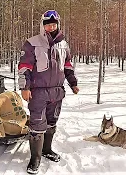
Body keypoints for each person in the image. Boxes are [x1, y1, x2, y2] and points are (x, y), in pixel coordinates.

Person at [18, 10, 79, 174]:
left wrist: (73, 83)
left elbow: (67, 65)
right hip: (38, 92)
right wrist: (25, 87)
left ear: (58, 24)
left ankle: (46, 150)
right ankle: (35, 158)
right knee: (37, 125)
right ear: (42, 25)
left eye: (53, 24)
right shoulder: (32, 43)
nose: (51, 27)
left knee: (52, 122)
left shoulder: (63, 44)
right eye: (47, 24)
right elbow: (25, 67)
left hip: (57, 92)